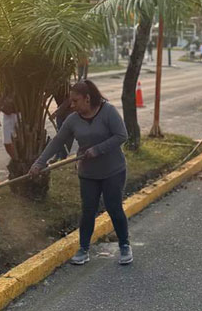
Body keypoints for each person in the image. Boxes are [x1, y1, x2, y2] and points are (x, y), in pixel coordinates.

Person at [30, 80, 132, 266]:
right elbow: (58, 141)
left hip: (113, 170)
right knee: (88, 211)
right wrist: (40, 162)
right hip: (88, 173)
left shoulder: (108, 112)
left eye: (75, 101)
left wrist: (98, 149)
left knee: (114, 207)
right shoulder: (73, 119)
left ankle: (124, 245)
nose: (72, 105)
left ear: (87, 98)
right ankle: (83, 248)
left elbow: (121, 135)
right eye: (71, 101)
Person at [0, 92, 19, 159]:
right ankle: (15, 159)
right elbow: (0, 98)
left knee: (18, 140)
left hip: (20, 114)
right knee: (7, 142)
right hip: (7, 114)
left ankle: (19, 158)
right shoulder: (5, 89)